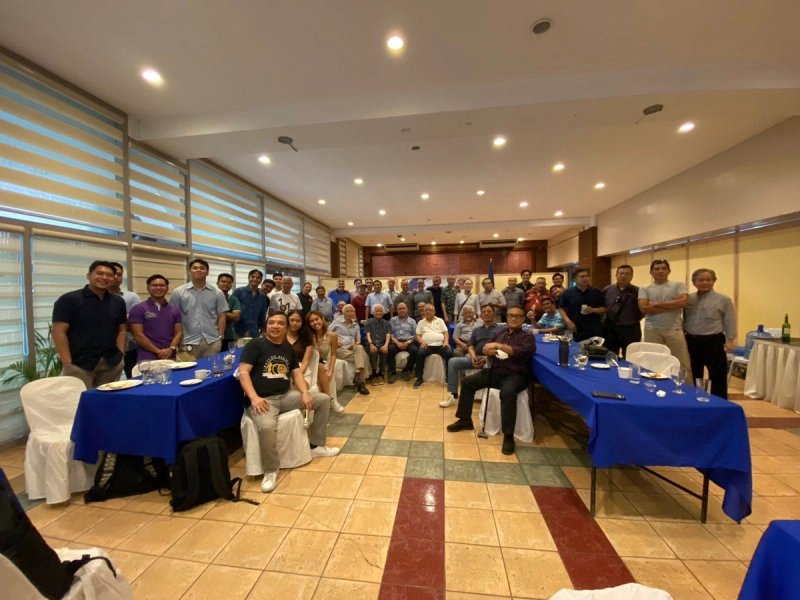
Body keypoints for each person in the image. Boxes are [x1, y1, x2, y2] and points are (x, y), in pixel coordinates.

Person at [238, 312, 340, 493]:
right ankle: (271, 470)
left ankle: (316, 446)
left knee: (323, 400)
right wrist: (254, 397)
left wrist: (305, 393)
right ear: (266, 326)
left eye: (280, 323)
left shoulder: (287, 349)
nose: (275, 326)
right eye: (271, 323)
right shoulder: (255, 345)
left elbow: (296, 373)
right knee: (267, 426)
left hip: (285, 396)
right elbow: (243, 372)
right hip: (264, 400)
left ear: (286, 328)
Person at [448, 307, 536, 455]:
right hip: (496, 371)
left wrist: (498, 346)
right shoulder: (500, 333)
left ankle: (508, 436)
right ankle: (465, 420)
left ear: (523, 319)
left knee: (507, 393)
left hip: (516, 375)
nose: (513, 318)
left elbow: (519, 352)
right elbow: (486, 347)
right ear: (507, 318)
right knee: (467, 382)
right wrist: (488, 352)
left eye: (517, 316)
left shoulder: (527, 336)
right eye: (510, 315)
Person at [52, 260, 127, 388]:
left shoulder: (118, 302)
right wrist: (67, 363)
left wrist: (121, 354)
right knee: (79, 398)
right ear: (89, 275)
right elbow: (58, 331)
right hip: (79, 364)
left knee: (107, 398)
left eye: (109, 275)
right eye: (100, 273)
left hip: (111, 363)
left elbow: (122, 329)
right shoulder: (69, 300)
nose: (104, 277)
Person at [684, 268, 737, 398]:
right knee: (693, 372)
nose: (705, 283)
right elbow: (684, 318)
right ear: (694, 282)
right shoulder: (688, 299)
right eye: (701, 280)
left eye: (708, 280)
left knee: (717, 374)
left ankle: (720, 402)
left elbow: (730, 320)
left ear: (714, 281)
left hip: (714, 341)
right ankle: (694, 399)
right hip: (691, 340)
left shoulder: (723, 299)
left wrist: (730, 340)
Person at [441, 305, 504, 407]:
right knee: (453, 361)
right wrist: (473, 356)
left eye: (489, 311)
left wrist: (487, 358)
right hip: (476, 357)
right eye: (484, 312)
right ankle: (454, 395)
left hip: (492, 360)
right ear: (481, 315)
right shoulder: (477, 330)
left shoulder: (501, 329)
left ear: (494, 314)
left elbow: (502, 347)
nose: (486, 313)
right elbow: (471, 346)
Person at [638, 259, 691, 373]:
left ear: (669, 271)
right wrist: (673, 304)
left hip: (674, 329)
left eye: (663, 268)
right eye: (657, 269)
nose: (660, 271)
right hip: (652, 329)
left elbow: (683, 303)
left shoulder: (679, 285)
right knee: (653, 362)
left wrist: (655, 304)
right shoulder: (645, 288)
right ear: (651, 272)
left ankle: (683, 384)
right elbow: (644, 308)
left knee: (682, 363)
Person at [169, 258, 227, 358]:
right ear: (189, 271)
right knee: (189, 368)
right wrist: (176, 340)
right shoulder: (178, 292)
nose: (198, 270)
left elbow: (221, 315)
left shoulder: (217, 293)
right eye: (195, 268)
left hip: (212, 341)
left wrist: (220, 336)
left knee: (212, 367)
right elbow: (173, 318)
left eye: (202, 268)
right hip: (187, 341)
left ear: (207, 272)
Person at [129, 274, 183, 362]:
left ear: (167, 288)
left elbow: (179, 332)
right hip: (147, 357)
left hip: (171, 356)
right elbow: (138, 335)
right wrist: (158, 351)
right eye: (154, 285)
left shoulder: (174, 309)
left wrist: (171, 348)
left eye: (162, 285)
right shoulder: (138, 309)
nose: (158, 288)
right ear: (148, 288)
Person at [306, 310, 344, 413]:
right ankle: (330, 400)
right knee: (320, 368)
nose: (315, 322)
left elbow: (333, 354)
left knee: (323, 369)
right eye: (311, 321)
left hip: (323, 364)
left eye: (317, 319)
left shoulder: (332, 335)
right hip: (310, 365)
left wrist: (331, 370)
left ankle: (326, 404)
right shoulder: (308, 336)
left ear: (322, 319)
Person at [602, 265, 643, 358]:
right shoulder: (607, 289)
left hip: (631, 329)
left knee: (630, 357)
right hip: (610, 328)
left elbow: (643, 310)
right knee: (610, 356)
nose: (623, 276)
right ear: (616, 275)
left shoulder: (638, 291)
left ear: (632, 276)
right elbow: (601, 306)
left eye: (627, 274)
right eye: (621, 273)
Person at [108, 262, 141, 378]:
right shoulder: (94, 299)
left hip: (129, 346)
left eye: (119, 274)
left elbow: (136, 322)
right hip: (104, 349)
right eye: (113, 274)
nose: (116, 277)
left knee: (133, 378)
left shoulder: (131, 297)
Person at [329, 304, 371, 394]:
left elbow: (358, 340)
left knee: (360, 347)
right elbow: (327, 334)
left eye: (352, 311)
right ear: (343, 312)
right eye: (347, 311)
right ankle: (361, 381)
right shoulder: (336, 322)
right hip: (340, 349)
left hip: (352, 349)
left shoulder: (356, 325)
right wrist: (335, 342)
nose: (350, 313)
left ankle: (358, 376)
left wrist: (355, 344)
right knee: (363, 356)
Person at [558, 268, 605, 341]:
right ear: (574, 279)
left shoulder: (596, 292)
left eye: (587, 276)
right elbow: (561, 308)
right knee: (575, 347)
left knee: (594, 347)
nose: (585, 278)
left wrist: (593, 310)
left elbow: (604, 309)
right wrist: (568, 321)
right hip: (575, 328)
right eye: (582, 276)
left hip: (593, 328)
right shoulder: (568, 293)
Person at [413, 303, 453, 389]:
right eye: (426, 310)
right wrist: (422, 341)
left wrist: (446, 341)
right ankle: (419, 378)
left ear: (434, 312)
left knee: (450, 353)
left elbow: (445, 332)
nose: (428, 311)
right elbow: (418, 335)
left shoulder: (440, 320)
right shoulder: (421, 322)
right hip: (427, 346)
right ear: (424, 311)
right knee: (419, 354)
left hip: (440, 345)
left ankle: (449, 378)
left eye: (430, 310)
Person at [233, 269, 268, 339]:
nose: (255, 279)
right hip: (238, 329)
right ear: (248, 278)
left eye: (258, 278)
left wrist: (263, 330)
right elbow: (231, 308)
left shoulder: (263, 296)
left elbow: (262, 315)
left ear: (261, 280)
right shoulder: (239, 291)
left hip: (254, 330)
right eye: (252, 277)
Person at [388, 302, 418, 382]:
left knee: (415, 350)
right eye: (400, 309)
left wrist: (407, 342)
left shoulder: (412, 321)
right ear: (397, 310)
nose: (402, 310)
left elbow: (415, 335)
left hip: (408, 341)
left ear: (407, 309)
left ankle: (406, 370)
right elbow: (390, 333)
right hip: (396, 341)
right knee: (390, 349)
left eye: (403, 308)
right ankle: (393, 373)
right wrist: (397, 342)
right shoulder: (392, 320)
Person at [365, 304, 392, 384]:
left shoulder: (387, 323)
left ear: (383, 313)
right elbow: (368, 334)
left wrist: (386, 345)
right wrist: (371, 344)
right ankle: (374, 374)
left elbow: (388, 335)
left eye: (380, 311)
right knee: (373, 352)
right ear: (373, 312)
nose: (379, 313)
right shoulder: (369, 322)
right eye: (377, 311)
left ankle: (381, 374)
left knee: (384, 351)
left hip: (382, 344)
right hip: (371, 343)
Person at [217, 273, 241, 349]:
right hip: (211, 336)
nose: (226, 284)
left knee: (228, 355)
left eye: (229, 282)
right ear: (217, 283)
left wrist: (219, 312)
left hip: (228, 336)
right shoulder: (210, 297)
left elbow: (236, 317)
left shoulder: (233, 299)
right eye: (223, 281)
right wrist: (228, 314)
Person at [286, 309, 313, 376]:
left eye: (298, 321)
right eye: (292, 320)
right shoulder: (280, 336)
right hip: (282, 368)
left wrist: (298, 375)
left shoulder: (307, 338)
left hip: (301, 369)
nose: (294, 323)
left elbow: (305, 362)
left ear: (302, 323)